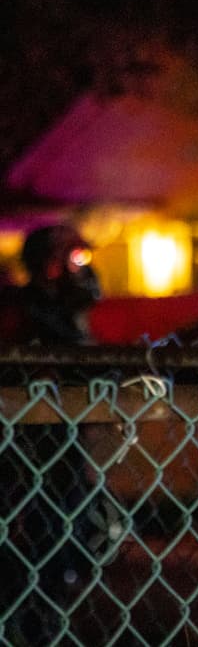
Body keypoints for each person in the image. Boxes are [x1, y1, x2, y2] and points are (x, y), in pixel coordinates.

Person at [0, 225, 102, 644]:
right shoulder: (20, 311)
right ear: (49, 264)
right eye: (73, 260)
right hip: (22, 459)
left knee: (60, 551)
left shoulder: (64, 316)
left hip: (62, 453)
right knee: (26, 555)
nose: (83, 271)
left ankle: (45, 623)